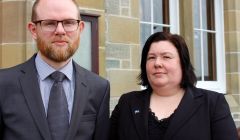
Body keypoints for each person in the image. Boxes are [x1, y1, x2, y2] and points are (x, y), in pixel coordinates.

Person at [0, 0, 110, 140]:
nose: (60, 31)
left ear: (80, 28)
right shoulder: (3, 84)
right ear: (33, 30)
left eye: (69, 22)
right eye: (50, 23)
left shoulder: (99, 87)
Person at [110, 32, 238, 140]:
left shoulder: (212, 104)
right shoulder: (127, 103)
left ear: (183, 63)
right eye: (151, 57)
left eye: (166, 57)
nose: (157, 63)